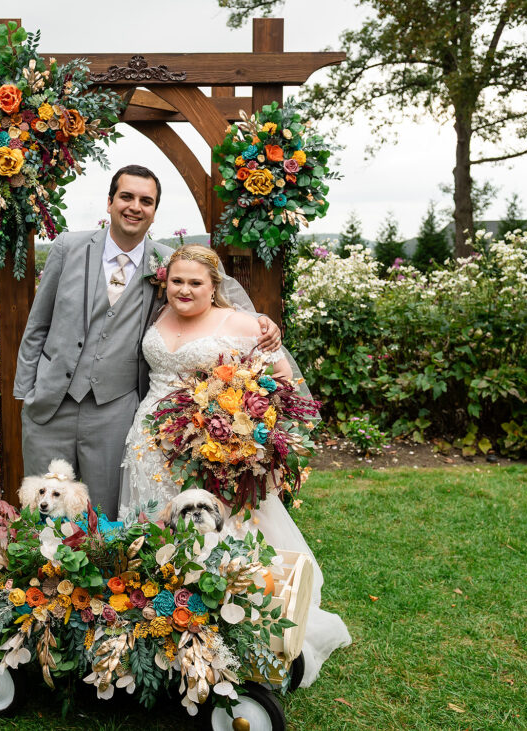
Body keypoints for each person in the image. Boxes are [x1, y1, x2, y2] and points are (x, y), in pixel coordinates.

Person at [118, 244, 352, 688]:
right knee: (155, 529)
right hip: (147, 444)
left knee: (216, 534)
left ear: (214, 286)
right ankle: (162, 626)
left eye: (195, 282)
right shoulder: (159, 313)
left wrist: (241, 424)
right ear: (165, 282)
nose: (184, 289)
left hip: (205, 449)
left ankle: (230, 629)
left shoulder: (243, 324)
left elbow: (284, 382)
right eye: (177, 280)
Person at [14, 165, 281, 519]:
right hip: (50, 402)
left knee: (104, 515)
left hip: (114, 410)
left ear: (154, 211)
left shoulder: (167, 263)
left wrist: (261, 322)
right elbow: (38, 324)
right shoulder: (68, 247)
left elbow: (205, 301)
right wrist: (28, 392)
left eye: (146, 201)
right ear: (109, 202)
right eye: (126, 197)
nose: (135, 207)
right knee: (42, 511)